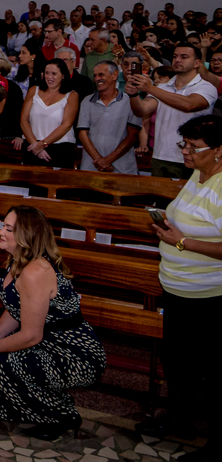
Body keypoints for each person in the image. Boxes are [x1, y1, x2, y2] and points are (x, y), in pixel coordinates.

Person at [0, 206, 106, 440]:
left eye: (8, 228)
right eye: (3, 226)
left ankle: (61, 416)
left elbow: (30, 335)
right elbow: (16, 310)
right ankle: (27, 408)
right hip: (46, 342)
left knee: (5, 362)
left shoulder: (35, 271)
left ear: (26, 236)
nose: (0, 232)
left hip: (73, 352)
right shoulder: (17, 261)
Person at [137, 116, 222, 461]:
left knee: (210, 370)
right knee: (178, 363)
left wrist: (182, 242)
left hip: (208, 296)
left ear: (219, 150)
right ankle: (179, 418)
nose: (185, 151)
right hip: (177, 289)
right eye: (183, 144)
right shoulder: (198, 175)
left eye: (193, 146)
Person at [128, 44, 217, 179]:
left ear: (197, 63)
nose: (177, 60)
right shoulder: (163, 87)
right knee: (158, 193)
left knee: (190, 193)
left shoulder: (206, 87)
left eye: (184, 57)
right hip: (161, 155)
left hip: (193, 157)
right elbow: (142, 110)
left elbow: (189, 105)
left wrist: (151, 89)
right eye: (175, 56)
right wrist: (133, 95)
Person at [76, 61, 142, 174]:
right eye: (95, 75)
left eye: (101, 75)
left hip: (123, 168)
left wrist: (107, 160)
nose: (97, 79)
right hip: (91, 167)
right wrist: (100, 161)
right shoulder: (87, 101)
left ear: (115, 75)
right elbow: (82, 134)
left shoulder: (130, 101)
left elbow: (132, 136)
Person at [16, 59, 80, 167]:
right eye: (47, 73)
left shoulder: (72, 95)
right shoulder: (33, 90)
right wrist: (35, 144)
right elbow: (23, 119)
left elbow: (67, 124)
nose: (49, 77)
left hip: (60, 148)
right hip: (32, 146)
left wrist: (43, 144)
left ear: (63, 75)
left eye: (54, 73)